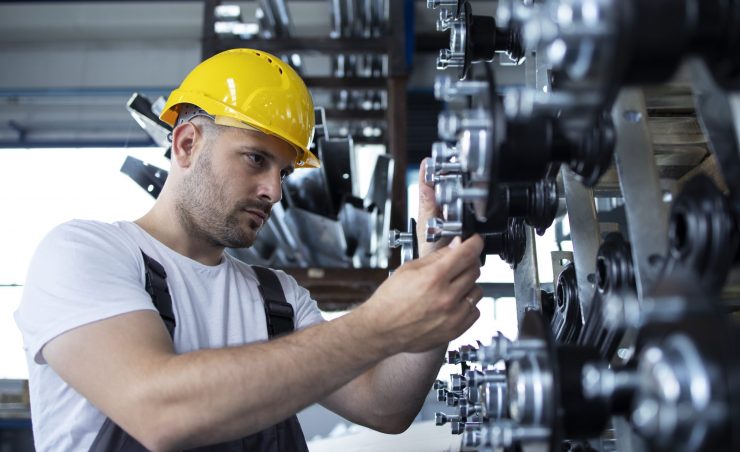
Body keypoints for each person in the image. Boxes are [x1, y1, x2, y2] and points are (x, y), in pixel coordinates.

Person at [15, 48, 484, 451]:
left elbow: (386, 406)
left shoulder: (277, 300)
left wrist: (433, 272)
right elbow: (157, 410)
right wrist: (380, 323)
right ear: (186, 143)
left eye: (283, 172)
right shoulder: (84, 254)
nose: (274, 192)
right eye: (256, 159)